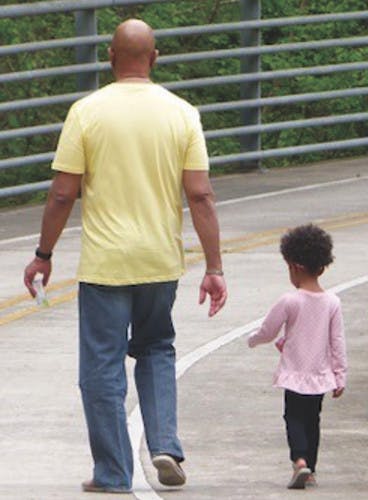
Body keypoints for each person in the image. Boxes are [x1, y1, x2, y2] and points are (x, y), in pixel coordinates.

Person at [22, 19, 227, 494]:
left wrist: (43, 254)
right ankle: (164, 445)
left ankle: (113, 473)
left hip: (106, 264)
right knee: (156, 349)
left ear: (110, 57)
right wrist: (214, 267)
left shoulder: (86, 112)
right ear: (154, 58)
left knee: (102, 367)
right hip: (160, 261)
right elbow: (201, 196)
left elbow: (61, 194)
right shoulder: (182, 114)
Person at [247, 224, 348, 489]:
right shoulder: (332, 303)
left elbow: (268, 330)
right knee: (312, 421)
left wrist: (253, 340)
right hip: (319, 376)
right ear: (323, 266)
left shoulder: (290, 301)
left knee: (293, 418)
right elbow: (336, 342)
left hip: (294, 375)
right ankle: (311, 468)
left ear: (294, 266)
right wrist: (340, 375)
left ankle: (299, 461)